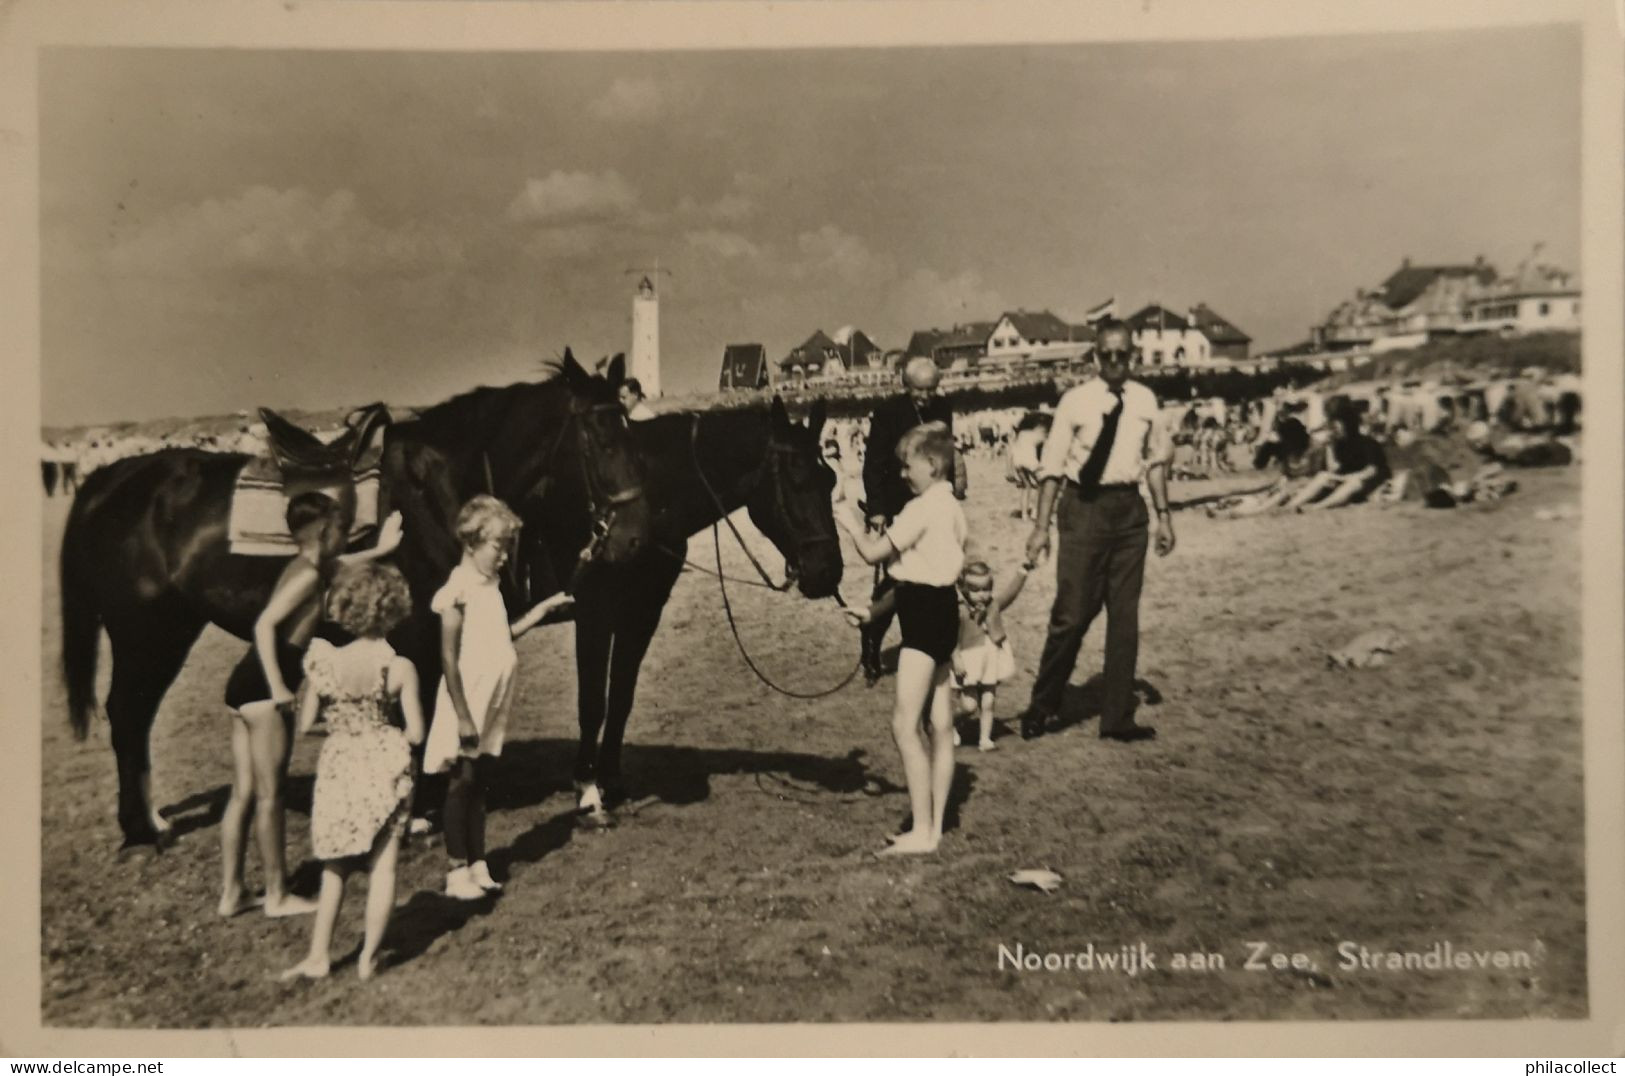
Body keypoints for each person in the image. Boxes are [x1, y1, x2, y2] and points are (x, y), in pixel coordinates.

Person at [219, 493, 403, 919]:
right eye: (341, 530)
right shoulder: (307, 576)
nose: (344, 538)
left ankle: (232, 893)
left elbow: (344, 564)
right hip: (265, 689)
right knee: (271, 795)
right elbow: (264, 624)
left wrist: (384, 549)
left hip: (242, 687)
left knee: (243, 793)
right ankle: (278, 894)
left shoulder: (309, 567)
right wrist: (280, 687)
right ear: (325, 531)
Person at [1022, 319, 1175, 744]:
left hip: (1129, 513)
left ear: (1132, 356)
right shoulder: (1075, 401)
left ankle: (1116, 719)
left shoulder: (1146, 400)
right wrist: (1040, 528)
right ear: (1095, 356)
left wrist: (1164, 515)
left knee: (1124, 618)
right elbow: (1051, 468)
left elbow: (1156, 461)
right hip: (1083, 509)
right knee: (1071, 615)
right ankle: (1043, 703)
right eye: (1105, 354)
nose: (1112, 361)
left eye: (1120, 354)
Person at [422, 495, 575, 899]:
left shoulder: (489, 586)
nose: (505, 555)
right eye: (498, 546)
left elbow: (498, 636)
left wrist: (541, 611)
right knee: (463, 781)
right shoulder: (457, 590)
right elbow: (448, 659)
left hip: (492, 697)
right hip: (467, 699)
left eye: (507, 546)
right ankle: (457, 872)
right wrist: (463, 717)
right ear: (472, 542)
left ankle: (478, 863)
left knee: (481, 781)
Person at [280, 562, 424, 982]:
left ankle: (319, 955)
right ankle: (369, 959)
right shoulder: (399, 668)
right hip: (384, 763)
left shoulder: (325, 663)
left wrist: (342, 722)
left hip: (340, 764)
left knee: (334, 866)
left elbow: (305, 725)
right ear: (393, 610)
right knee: (384, 866)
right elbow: (416, 733)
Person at [835, 422, 967, 856]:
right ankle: (934, 827)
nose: (903, 474)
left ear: (930, 464)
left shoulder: (921, 509)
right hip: (943, 613)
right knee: (941, 725)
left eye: (907, 466)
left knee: (904, 725)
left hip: (923, 623)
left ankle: (923, 831)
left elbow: (874, 553)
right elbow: (920, 576)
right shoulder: (951, 507)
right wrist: (872, 612)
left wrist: (847, 523)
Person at [859, 357, 965, 686]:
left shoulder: (943, 407)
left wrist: (953, 492)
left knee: (931, 574)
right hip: (898, 504)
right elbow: (873, 463)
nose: (926, 397)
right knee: (897, 579)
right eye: (919, 390)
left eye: (931, 389)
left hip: (934, 503)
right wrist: (876, 509)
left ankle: (919, 645)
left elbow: (945, 454)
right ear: (905, 385)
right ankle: (872, 644)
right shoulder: (888, 412)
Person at [950, 559, 1030, 752]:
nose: (982, 595)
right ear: (963, 588)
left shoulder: (992, 605)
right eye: (975, 589)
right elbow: (950, 637)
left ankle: (985, 739)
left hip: (990, 654)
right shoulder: (958, 609)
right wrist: (956, 658)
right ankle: (947, 723)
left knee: (988, 700)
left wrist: (1023, 571)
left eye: (986, 589)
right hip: (968, 658)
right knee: (969, 705)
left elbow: (1010, 594)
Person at [1281, 401, 1391, 512]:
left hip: (1368, 482)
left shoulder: (1368, 443)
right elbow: (1333, 469)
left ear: (1349, 425)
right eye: (1333, 427)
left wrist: (1343, 478)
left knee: (1354, 483)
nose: (1334, 430)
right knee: (1323, 475)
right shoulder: (1339, 444)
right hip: (1347, 479)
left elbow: (1370, 471)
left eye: (1337, 427)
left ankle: (1316, 507)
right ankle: (1290, 505)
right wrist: (1330, 447)